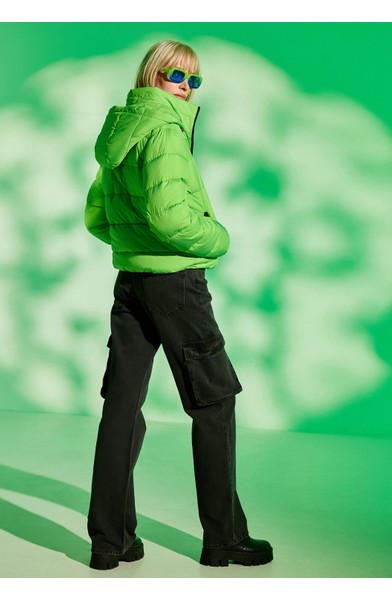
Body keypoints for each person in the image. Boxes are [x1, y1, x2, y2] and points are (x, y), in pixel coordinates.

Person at [84, 40, 273, 570]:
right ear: (152, 75)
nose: (186, 87)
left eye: (195, 79)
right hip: (177, 287)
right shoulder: (165, 130)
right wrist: (218, 238)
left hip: (131, 282)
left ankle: (110, 542)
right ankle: (224, 539)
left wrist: (134, 245)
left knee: (122, 407)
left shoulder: (122, 129)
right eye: (176, 75)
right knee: (213, 404)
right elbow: (171, 219)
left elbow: (97, 214)